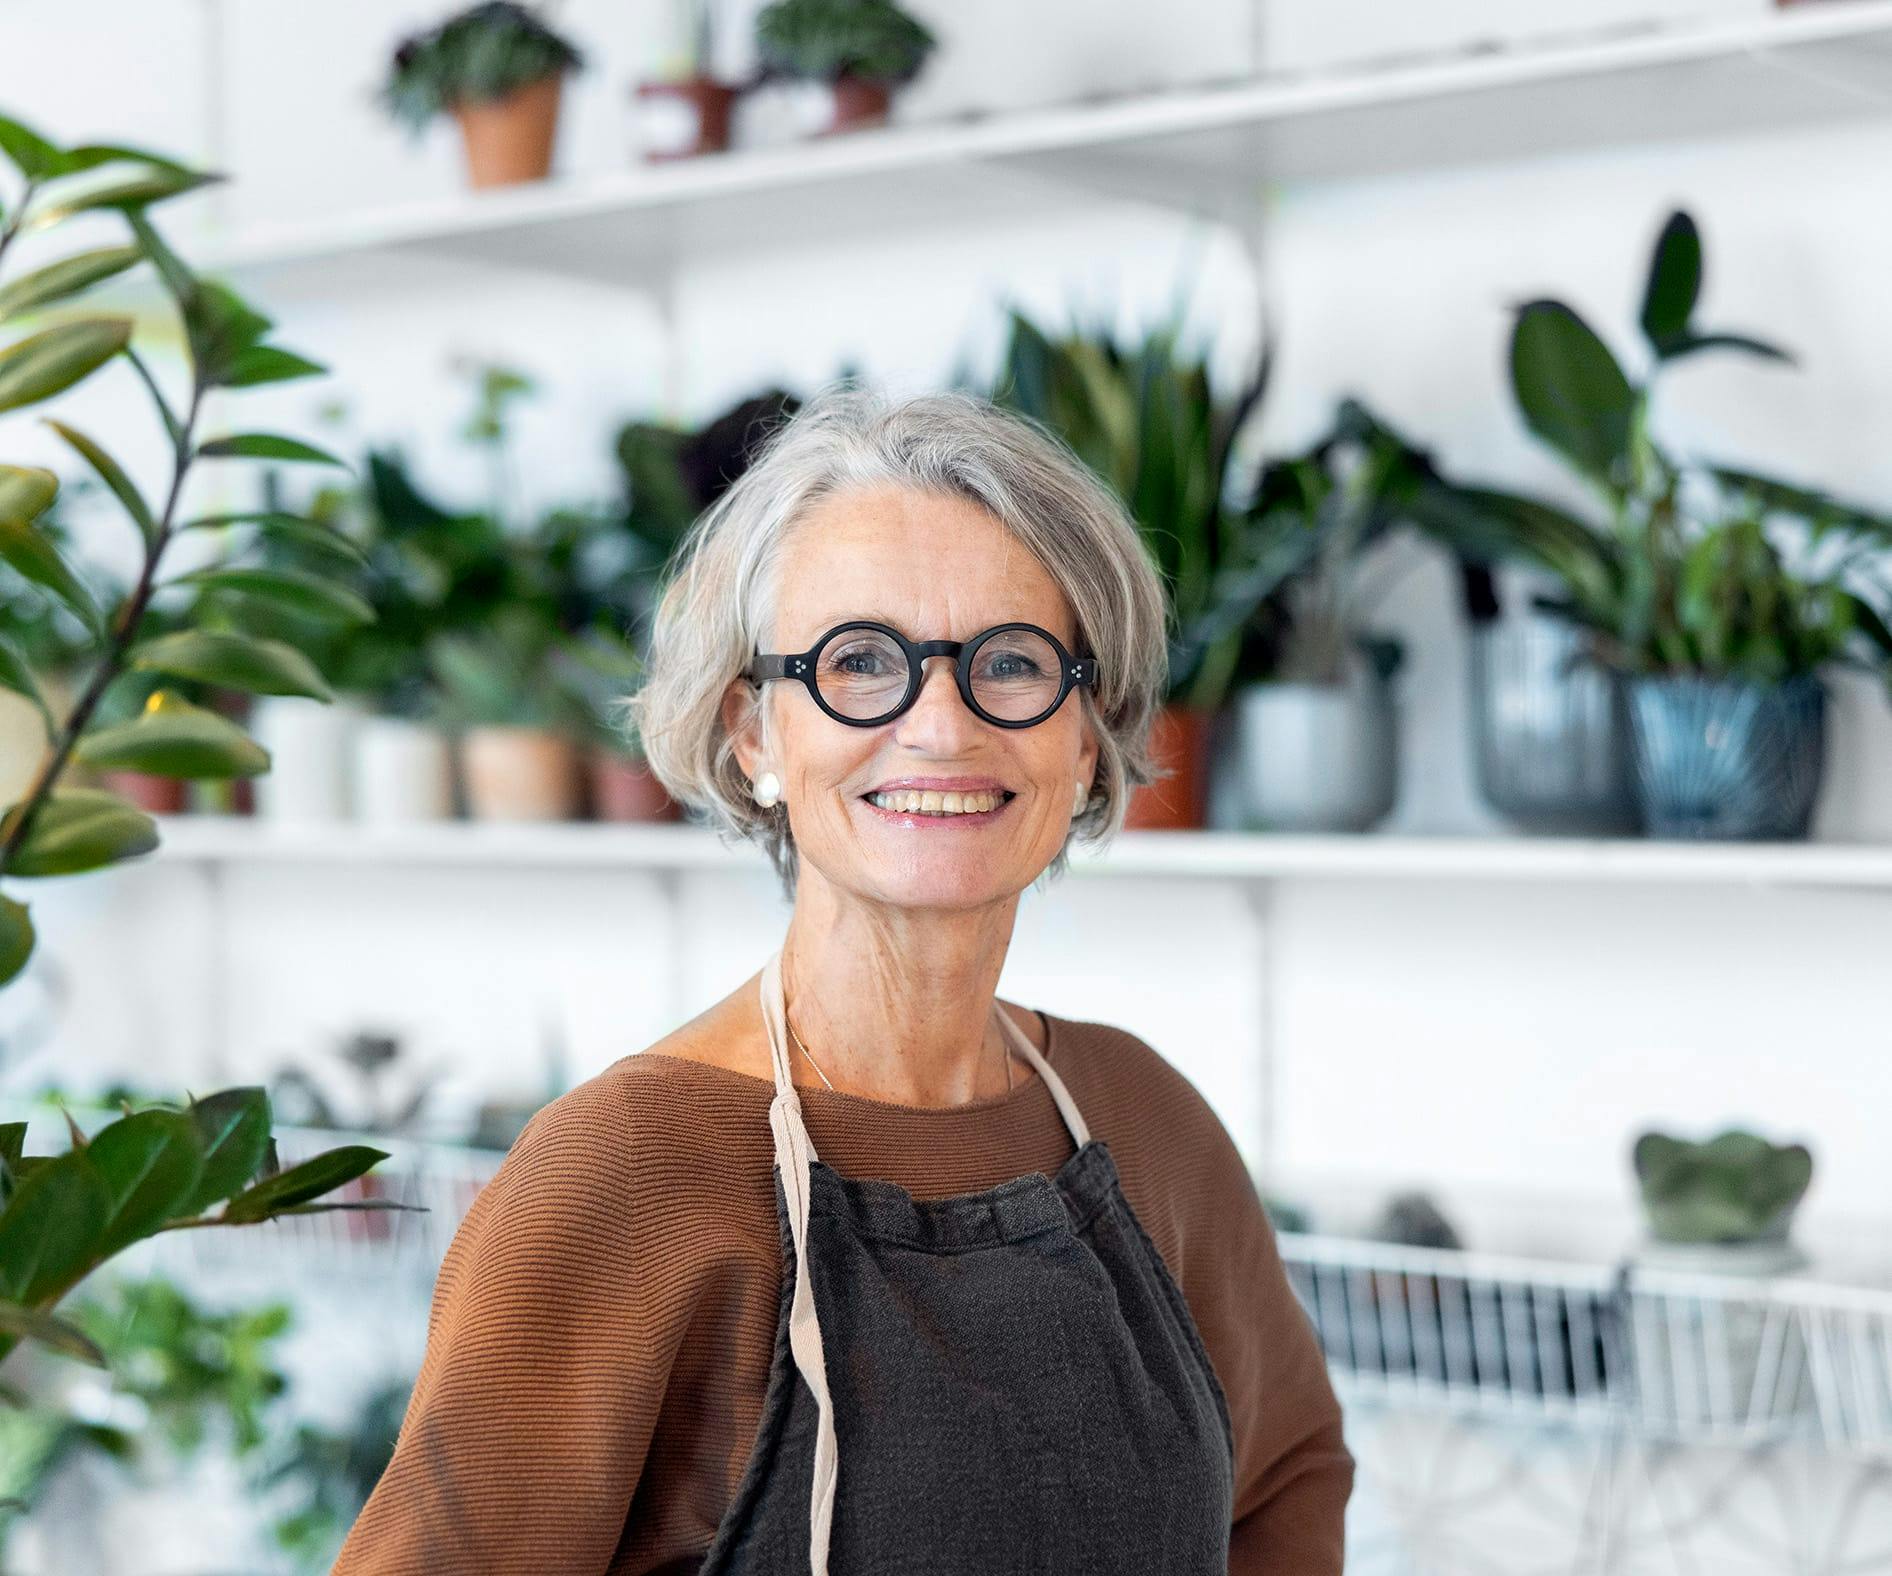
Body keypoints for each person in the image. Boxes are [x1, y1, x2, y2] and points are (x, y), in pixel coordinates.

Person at [332, 386, 1352, 1574]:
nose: (938, 726)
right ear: (755, 734)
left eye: (1010, 663)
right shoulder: (619, 1176)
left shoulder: (1144, 1124)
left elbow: (1287, 1475)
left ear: (1087, 736)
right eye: (859, 661)